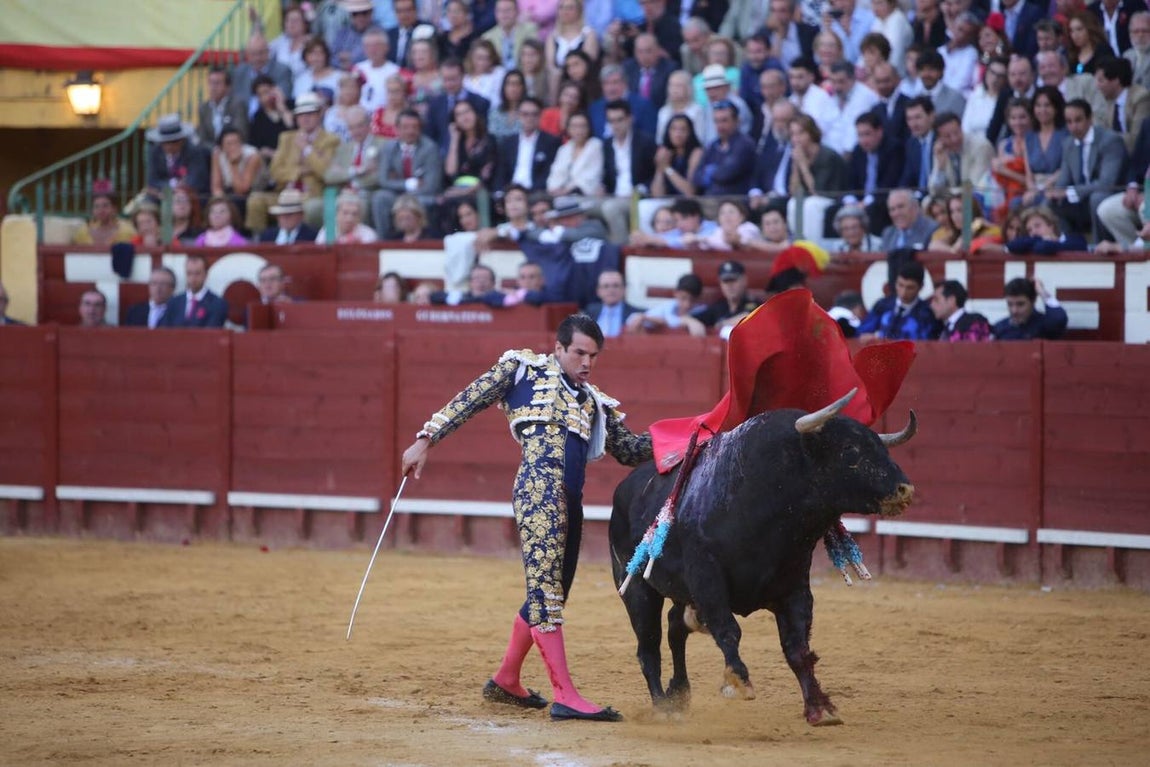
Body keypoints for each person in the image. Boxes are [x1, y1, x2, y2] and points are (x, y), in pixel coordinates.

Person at [401, 314, 652, 722]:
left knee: (550, 592)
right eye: (579, 353)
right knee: (546, 596)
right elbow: (473, 397)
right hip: (538, 490)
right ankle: (565, 695)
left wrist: (685, 437)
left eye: (593, 356)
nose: (587, 363)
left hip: (572, 501)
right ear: (558, 348)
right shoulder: (523, 370)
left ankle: (506, 680)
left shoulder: (593, 402)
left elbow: (630, 450)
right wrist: (425, 440)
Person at [248, 92, 341, 232]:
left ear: (319, 115)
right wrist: (300, 171)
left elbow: (326, 172)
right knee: (256, 200)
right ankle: (259, 244)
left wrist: (307, 149)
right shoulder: (286, 138)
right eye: (301, 115)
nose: (305, 118)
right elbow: (275, 172)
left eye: (310, 114)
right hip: (285, 194)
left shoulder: (331, 140)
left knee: (311, 207)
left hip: (311, 195)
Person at [1048, 98, 1128, 238]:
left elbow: (1106, 184)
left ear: (1090, 119)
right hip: (1082, 196)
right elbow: (1063, 180)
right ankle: (1068, 244)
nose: (1073, 127)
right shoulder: (1068, 144)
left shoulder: (1110, 140)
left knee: (1097, 198)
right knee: (1050, 202)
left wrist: (1068, 192)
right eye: (1069, 122)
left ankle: (1100, 247)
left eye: (1078, 120)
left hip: (1110, 194)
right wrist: (1053, 192)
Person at [371, 109, 444, 238]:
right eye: (405, 127)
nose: (410, 131)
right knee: (380, 198)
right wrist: (410, 184)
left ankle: (424, 241)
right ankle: (384, 241)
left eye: (414, 127)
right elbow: (383, 180)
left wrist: (399, 187)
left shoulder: (430, 148)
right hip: (398, 194)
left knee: (426, 202)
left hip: (421, 195)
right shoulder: (389, 148)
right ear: (397, 129)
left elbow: (430, 185)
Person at [857, 261, 939, 341]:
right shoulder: (882, 305)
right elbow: (862, 332)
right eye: (900, 285)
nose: (903, 292)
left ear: (921, 287)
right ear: (895, 283)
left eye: (910, 288)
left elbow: (926, 342)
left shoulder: (927, 313)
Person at [144, 114, 211, 199]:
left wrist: (179, 189)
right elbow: (152, 181)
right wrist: (172, 185)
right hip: (163, 194)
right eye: (166, 142)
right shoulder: (155, 152)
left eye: (174, 141)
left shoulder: (194, 152)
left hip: (190, 196)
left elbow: (195, 181)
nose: (169, 146)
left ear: (182, 140)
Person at [625, 273, 706, 337]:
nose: (687, 305)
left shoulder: (703, 311)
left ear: (699, 299)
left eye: (692, 300)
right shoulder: (668, 307)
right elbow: (634, 319)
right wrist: (687, 321)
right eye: (683, 298)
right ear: (675, 293)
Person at [161, 254, 229, 328]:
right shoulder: (173, 303)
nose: (193, 278)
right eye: (189, 273)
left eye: (197, 273)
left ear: (206, 275)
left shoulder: (217, 304)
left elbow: (211, 333)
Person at [992, 277, 1069, 340]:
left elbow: (1059, 318)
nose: (1014, 310)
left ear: (1033, 301)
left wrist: (1041, 291)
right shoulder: (1000, 327)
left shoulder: (1044, 324)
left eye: (1020, 304)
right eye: (1010, 304)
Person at [546, 112, 603, 197]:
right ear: (568, 129)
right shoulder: (564, 149)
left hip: (586, 194)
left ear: (589, 128)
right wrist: (554, 188)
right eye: (574, 126)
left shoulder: (595, 145)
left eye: (582, 126)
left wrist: (567, 190)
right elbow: (556, 173)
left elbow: (591, 177)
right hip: (561, 194)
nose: (579, 130)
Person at [696, 259, 760, 332]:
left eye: (733, 280)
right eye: (725, 281)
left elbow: (751, 317)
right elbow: (693, 318)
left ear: (744, 280)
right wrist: (690, 322)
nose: (729, 286)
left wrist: (722, 324)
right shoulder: (718, 307)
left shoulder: (755, 304)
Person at [650, 114, 703, 197]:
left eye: (683, 129)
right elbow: (657, 195)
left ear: (690, 133)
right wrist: (659, 169)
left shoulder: (696, 153)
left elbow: (690, 191)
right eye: (674, 129)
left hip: (689, 203)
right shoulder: (665, 153)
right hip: (668, 202)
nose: (678, 133)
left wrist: (667, 168)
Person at [1004, 205, 1089, 255]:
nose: (1033, 232)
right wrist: (1043, 239)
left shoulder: (1074, 238)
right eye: (1029, 230)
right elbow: (1012, 246)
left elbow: (1044, 247)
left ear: (1050, 225)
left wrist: (1050, 242)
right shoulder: (1033, 242)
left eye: (1037, 226)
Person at [197, 66, 249, 147]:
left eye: (217, 83)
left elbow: (240, 132)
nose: (213, 87)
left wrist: (224, 149)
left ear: (228, 87)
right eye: (210, 83)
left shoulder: (237, 104)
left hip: (236, 148)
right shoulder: (204, 108)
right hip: (213, 152)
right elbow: (202, 138)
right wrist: (215, 150)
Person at [582, 270, 644, 338]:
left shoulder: (637, 314)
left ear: (624, 289)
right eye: (606, 286)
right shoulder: (590, 311)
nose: (611, 290)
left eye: (616, 286)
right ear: (598, 291)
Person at [929, 278, 991, 342]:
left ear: (951, 300)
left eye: (936, 300)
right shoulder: (941, 327)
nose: (931, 305)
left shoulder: (975, 322)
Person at [71, 193, 135, 246]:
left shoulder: (127, 231)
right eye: (96, 206)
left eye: (105, 206)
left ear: (114, 209)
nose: (100, 210)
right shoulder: (83, 232)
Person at [698, 200, 763, 250]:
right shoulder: (718, 230)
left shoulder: (749, 228)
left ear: (741, 217)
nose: (726, 216)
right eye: (722, 213)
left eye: (731, 212)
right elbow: (704, 246)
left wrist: (703, 240)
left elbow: (728, 243)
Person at [293, 37, 341, 101]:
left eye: (320, 53)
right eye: (311, 53)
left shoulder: (340, 77)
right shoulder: (300, 80)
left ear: (326, 55)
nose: (316, 58)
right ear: (305, 57)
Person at [489, 70, 527, 138]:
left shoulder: (529, 112)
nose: (513, 88)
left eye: (517, 84)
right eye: (509, 84)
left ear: (523, 87)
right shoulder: (495, 113)